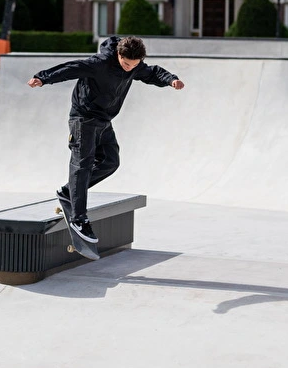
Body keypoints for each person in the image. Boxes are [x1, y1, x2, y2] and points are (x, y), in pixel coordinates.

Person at [28, 35, 183, 248]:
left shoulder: (135, 66)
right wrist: (43, 78)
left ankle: (69, 192)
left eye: (134, 66)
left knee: (111, 161)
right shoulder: (99, 63)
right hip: (83, 119)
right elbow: (70, 68)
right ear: (119, 54)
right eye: (126, 64)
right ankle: (79, 219)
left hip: (104, 121)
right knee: (82, 164)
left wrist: (170, 79)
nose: (129, 69)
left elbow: (152, 72)